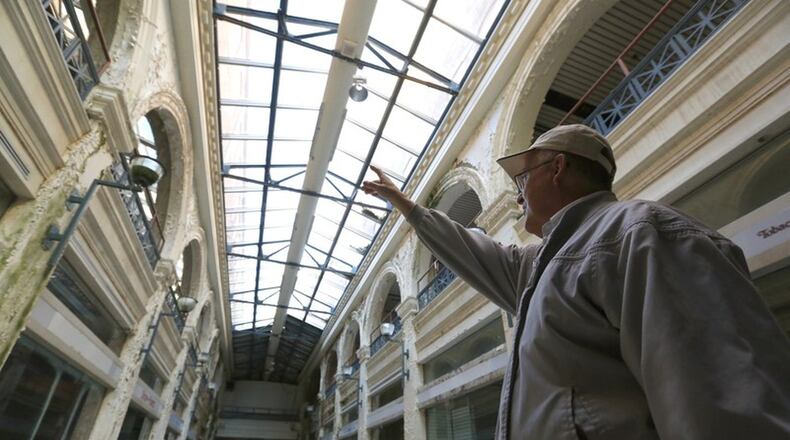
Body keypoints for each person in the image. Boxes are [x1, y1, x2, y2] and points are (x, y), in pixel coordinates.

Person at [361, 124, 790, 439]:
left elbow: (720, 404)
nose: (517, 195)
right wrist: (407, 206)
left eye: (522, 179)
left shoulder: (640, 234)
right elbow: (469, 250)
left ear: (558, 167)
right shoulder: (539, 268)